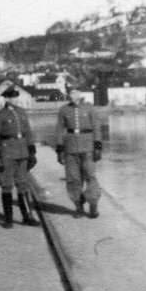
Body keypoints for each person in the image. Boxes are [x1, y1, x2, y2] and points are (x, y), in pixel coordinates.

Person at [0, 85, 39, 228]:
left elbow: (28, 132)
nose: (16, 100)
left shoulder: (22, 113)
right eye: (13, 98)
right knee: (6, 185)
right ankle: (8, 219)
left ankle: (27, 216)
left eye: (17, 97)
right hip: (7, 153)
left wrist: (32, 151)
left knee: (23, 183)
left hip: (22, 151)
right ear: (7, 99)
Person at [55, 84, 103, 218]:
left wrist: (98, 148)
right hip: (70, 149)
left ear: (80, 93)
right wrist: (59, 150)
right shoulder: (64, 110)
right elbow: (59, 130)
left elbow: (97, 128)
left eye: (75, 92)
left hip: (88, 148)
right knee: (73, 179)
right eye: (70, 93)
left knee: (91, 177)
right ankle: (78, 207)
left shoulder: (89, 108)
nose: (72, 95)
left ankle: (93, 206)